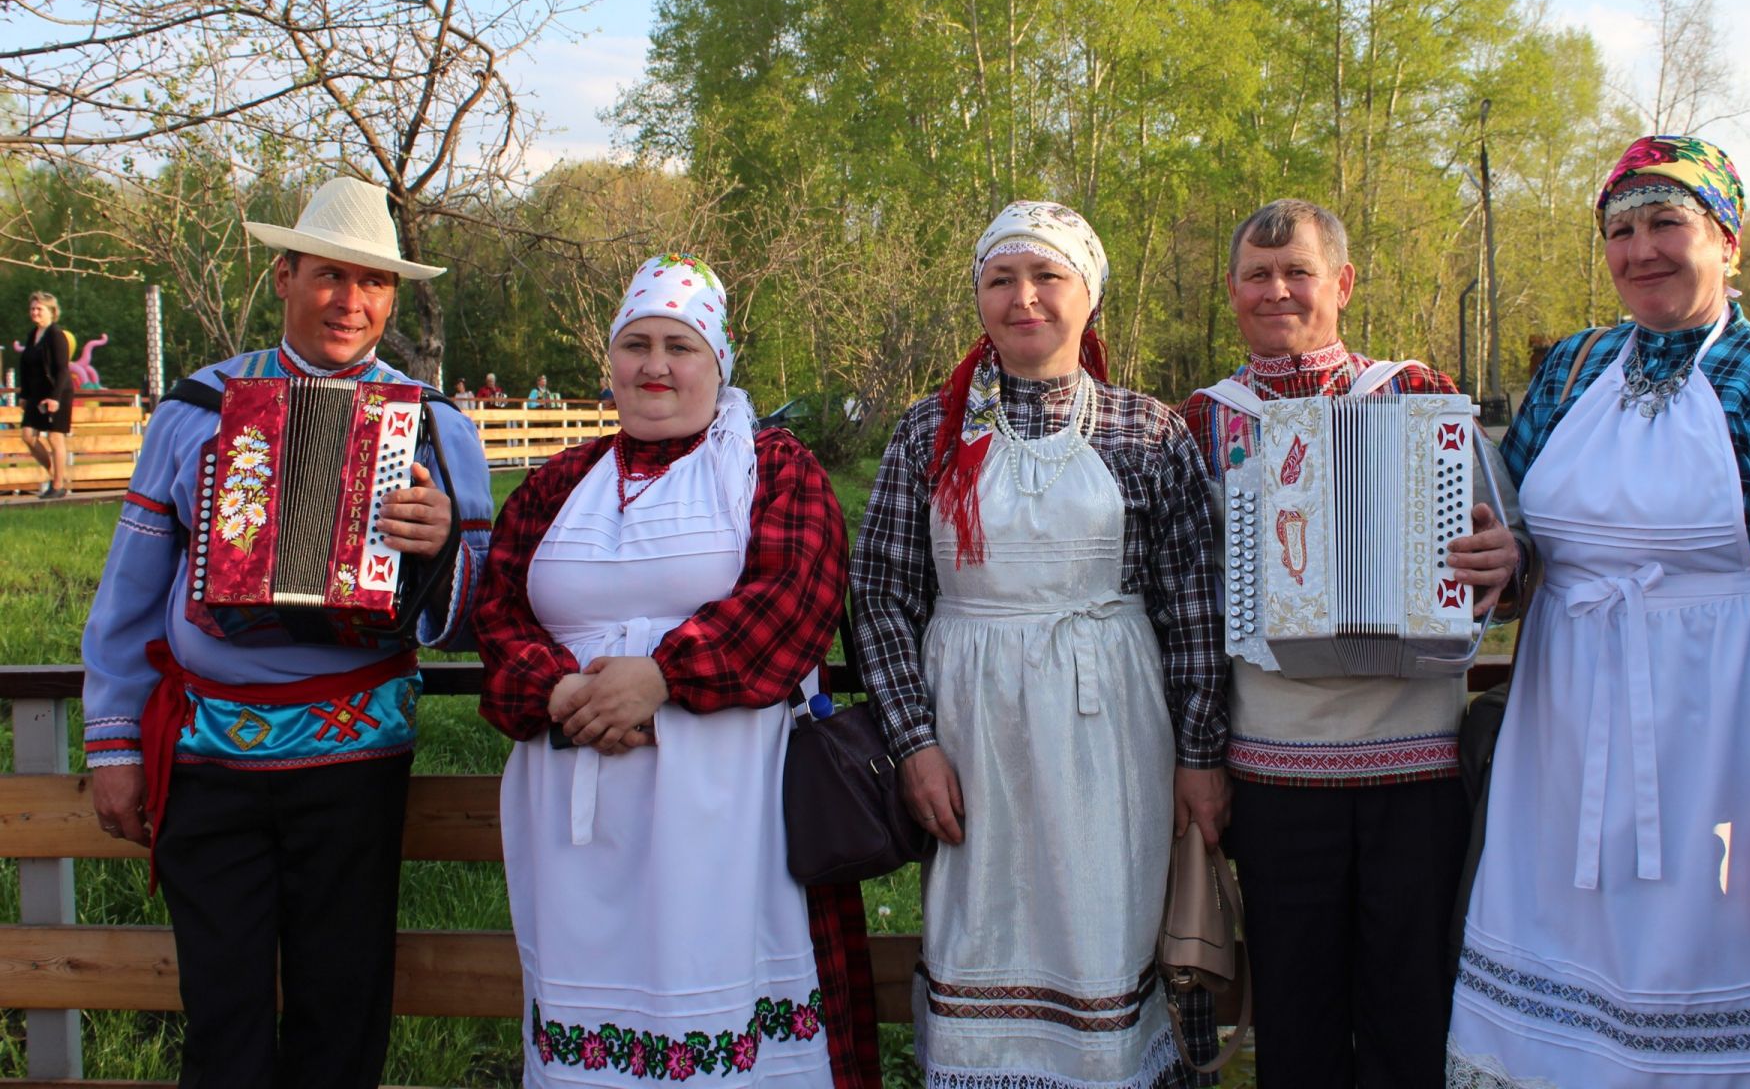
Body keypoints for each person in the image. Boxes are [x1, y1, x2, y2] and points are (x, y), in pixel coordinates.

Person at [1447, 136, 1750, 1087]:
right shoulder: (1573, 371)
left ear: (1729, 242)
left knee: (1742, 966)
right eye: (1621, 230)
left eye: (1669, 223)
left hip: (1735, 751)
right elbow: (1530, 532)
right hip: (1567, 746)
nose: (1641, 250)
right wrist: (1512, 555)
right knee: (1578, 984)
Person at [79, 176, 495, 1089]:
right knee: (220, 1015)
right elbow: (128, 593)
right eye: (329, 277)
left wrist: (439, 549)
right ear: (284, 277)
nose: (351, 303)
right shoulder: (194, 410)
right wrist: (112, 741)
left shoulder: (436, 425)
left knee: (341, 1011)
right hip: (205, 760)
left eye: (373, 284)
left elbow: (470, 620)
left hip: (356, 762)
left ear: (393, 296)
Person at [475, 252, 879, 1088]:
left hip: (733, 804)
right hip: (576, 811)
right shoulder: (558, 483)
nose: (655, 365)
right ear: (611, 363)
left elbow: (795, 595)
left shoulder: (774, 467)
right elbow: (499, 610)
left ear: (717, 362)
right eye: (636, 344)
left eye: (680, 346)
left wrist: (659, 677)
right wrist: (559, 689)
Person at [852, 201, 1227, 1089]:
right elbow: (879, 598)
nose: (1024, 298)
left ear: (1088, 295)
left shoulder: (1147, 431)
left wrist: (1200, 755)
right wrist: (914, 743)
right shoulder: (927, 434)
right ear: (978, 296)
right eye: (1000, 279)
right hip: (972, 735)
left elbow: (1193, 612)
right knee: (981, 924)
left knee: (1108, 918)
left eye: (1047, 276)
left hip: (1112, 731)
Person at [1179, 198, 1524, 1088]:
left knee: (1413, 1005)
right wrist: (1201, 757)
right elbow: (1180, 608)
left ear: (1342, 282)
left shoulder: (1418, 394)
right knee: (1295, 1014)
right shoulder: (1202, 422)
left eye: (1297, 271)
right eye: (1257, 275)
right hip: (1272, 767)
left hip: (1417, 764)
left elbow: (1513, 570)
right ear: (1232, 291)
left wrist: (1503, 561)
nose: (1277, 290)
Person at [19, 290, 73, 498]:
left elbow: (62, 369)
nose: (34, 312)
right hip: (35, 393)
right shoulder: (32, 335)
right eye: (32, 309)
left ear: (51, 311)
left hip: (57, 392)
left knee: (55, 438)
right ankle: (56, 475)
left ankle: (58, 486)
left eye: (39, 309)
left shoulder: (56, 335)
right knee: (28, 435)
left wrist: (55, 398)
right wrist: (24, 395)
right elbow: (25, 366)